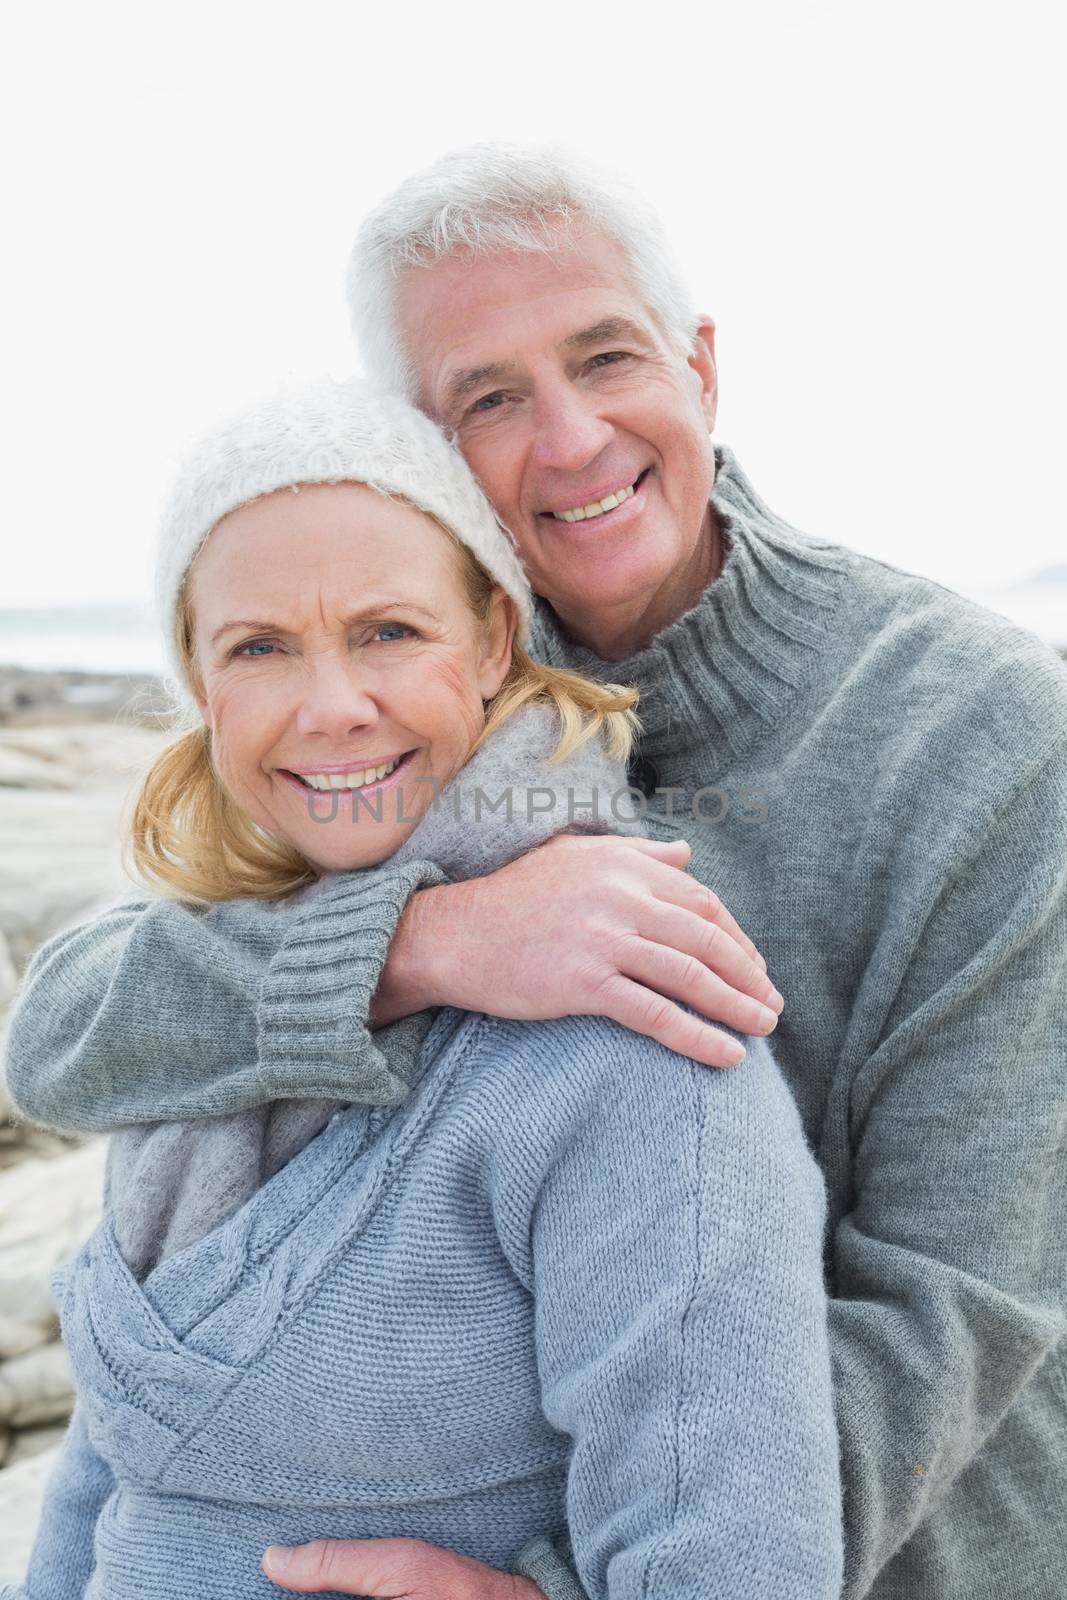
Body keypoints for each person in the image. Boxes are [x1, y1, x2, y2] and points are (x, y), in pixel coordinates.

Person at [7, 142, 1066, 1599]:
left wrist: (565, 1587)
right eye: (488, 398)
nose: (568, 440)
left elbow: (961, 1296)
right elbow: (80, 1027)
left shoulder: (983, 728)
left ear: (699, 365)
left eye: (605, 358)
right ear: (425, 454)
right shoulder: (412, 696)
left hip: (906, 1547)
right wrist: (425, 944)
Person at [0, 378, 843, 1600]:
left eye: (389, 629)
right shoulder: (206, 1004)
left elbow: (735, 1557)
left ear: (494, 637)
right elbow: (118, 1460)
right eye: (259, 646)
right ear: (196, 678)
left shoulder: (632, 1040)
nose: (333, 706)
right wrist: (418, 944)